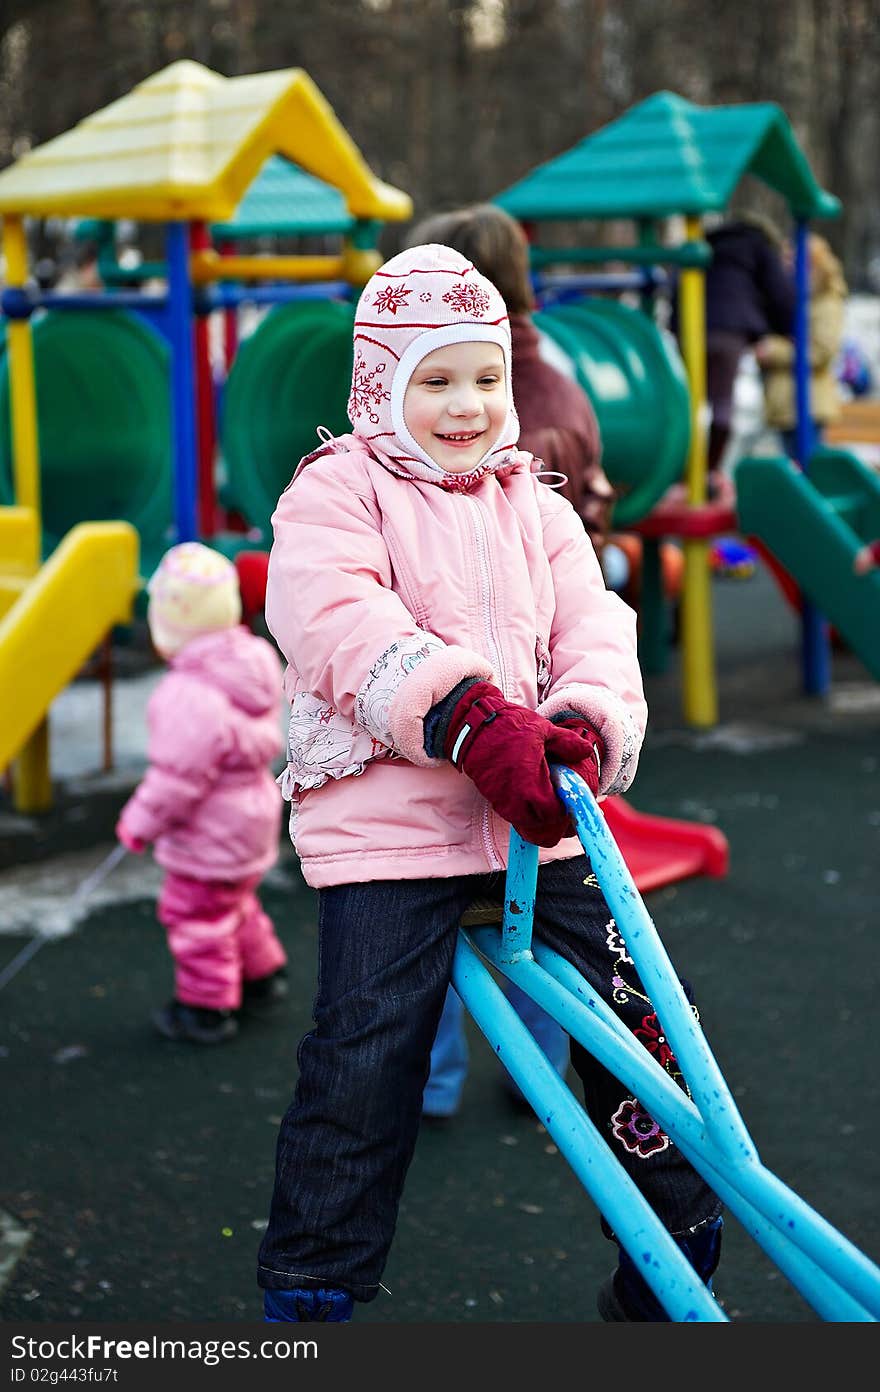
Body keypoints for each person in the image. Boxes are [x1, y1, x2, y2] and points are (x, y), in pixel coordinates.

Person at [257, 243, 724, 1323]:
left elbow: (596, 627)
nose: (464, 406)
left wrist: (582, 724)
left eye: (482, 377)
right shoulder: (337, 492)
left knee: (646, 1014)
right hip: (397, 823)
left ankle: (671, 1235)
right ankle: (315, 1279)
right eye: (433, 380)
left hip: (537, 821)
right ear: (380, 384)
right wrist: (466, 713)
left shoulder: (536, 503)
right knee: (365, 1045)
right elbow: (334, 619)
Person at [404, 202, 617, 1117]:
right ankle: (534, 1076)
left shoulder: (497, 426)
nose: (467, 402)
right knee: (524, 916)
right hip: (512, 709)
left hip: (472, 721)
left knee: (437, 919)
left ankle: (435, 1081)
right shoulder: (558, 385)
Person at [116, 542, 288, 1044]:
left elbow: (176, 782)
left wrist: (137, 824)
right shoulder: (252, 661)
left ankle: (205, 1008)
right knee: (235, 903)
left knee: (196, 917)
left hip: (209, 831)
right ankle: (262, 975)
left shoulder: (188, 695)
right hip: (251, 820)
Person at [691, 213, 796, 490]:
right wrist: (787, 328)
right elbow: (779, 293)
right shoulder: (758, 245)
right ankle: (709, 471)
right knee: (722, 403)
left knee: (690, 403)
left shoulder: (707, 243)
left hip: (692, 325)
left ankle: (686, 470)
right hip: (730, 330)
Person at [755, 233, 848, 461]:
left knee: (807, 471)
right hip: (785, 404)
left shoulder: (825, 300)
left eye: (792, 261)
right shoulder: (793, 300)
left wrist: (774, 350)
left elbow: (821, 351)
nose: (786, 268)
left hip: (808, 404)